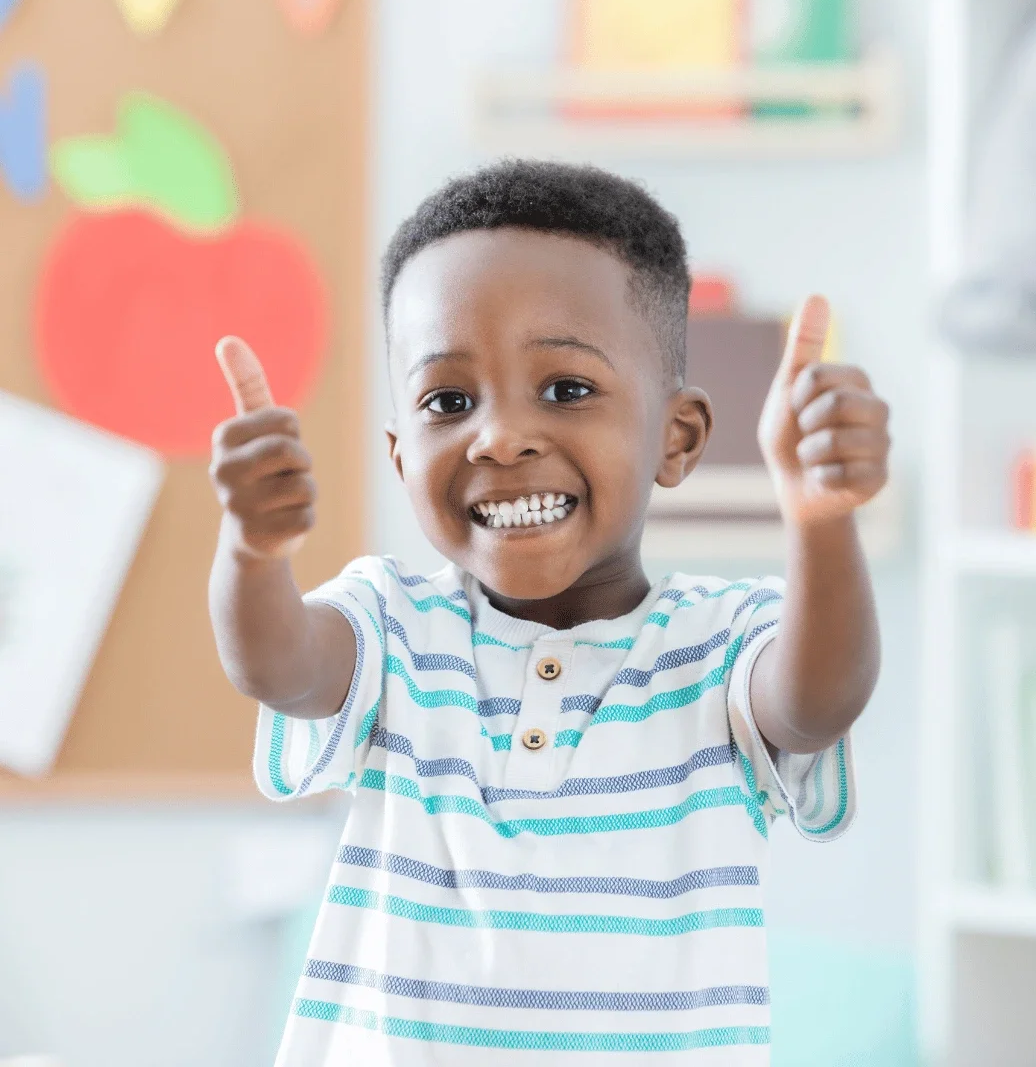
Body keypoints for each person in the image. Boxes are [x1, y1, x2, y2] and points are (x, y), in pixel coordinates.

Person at [208, 160, 890, 1065]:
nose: (497, 436)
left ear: (675, 438)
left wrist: (822, 522)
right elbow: (278, 665)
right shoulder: (391, 625)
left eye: (566, 389)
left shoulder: (723, 645)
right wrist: (253, 552)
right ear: (402, 457)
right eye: (448, 401)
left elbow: (819, 698)